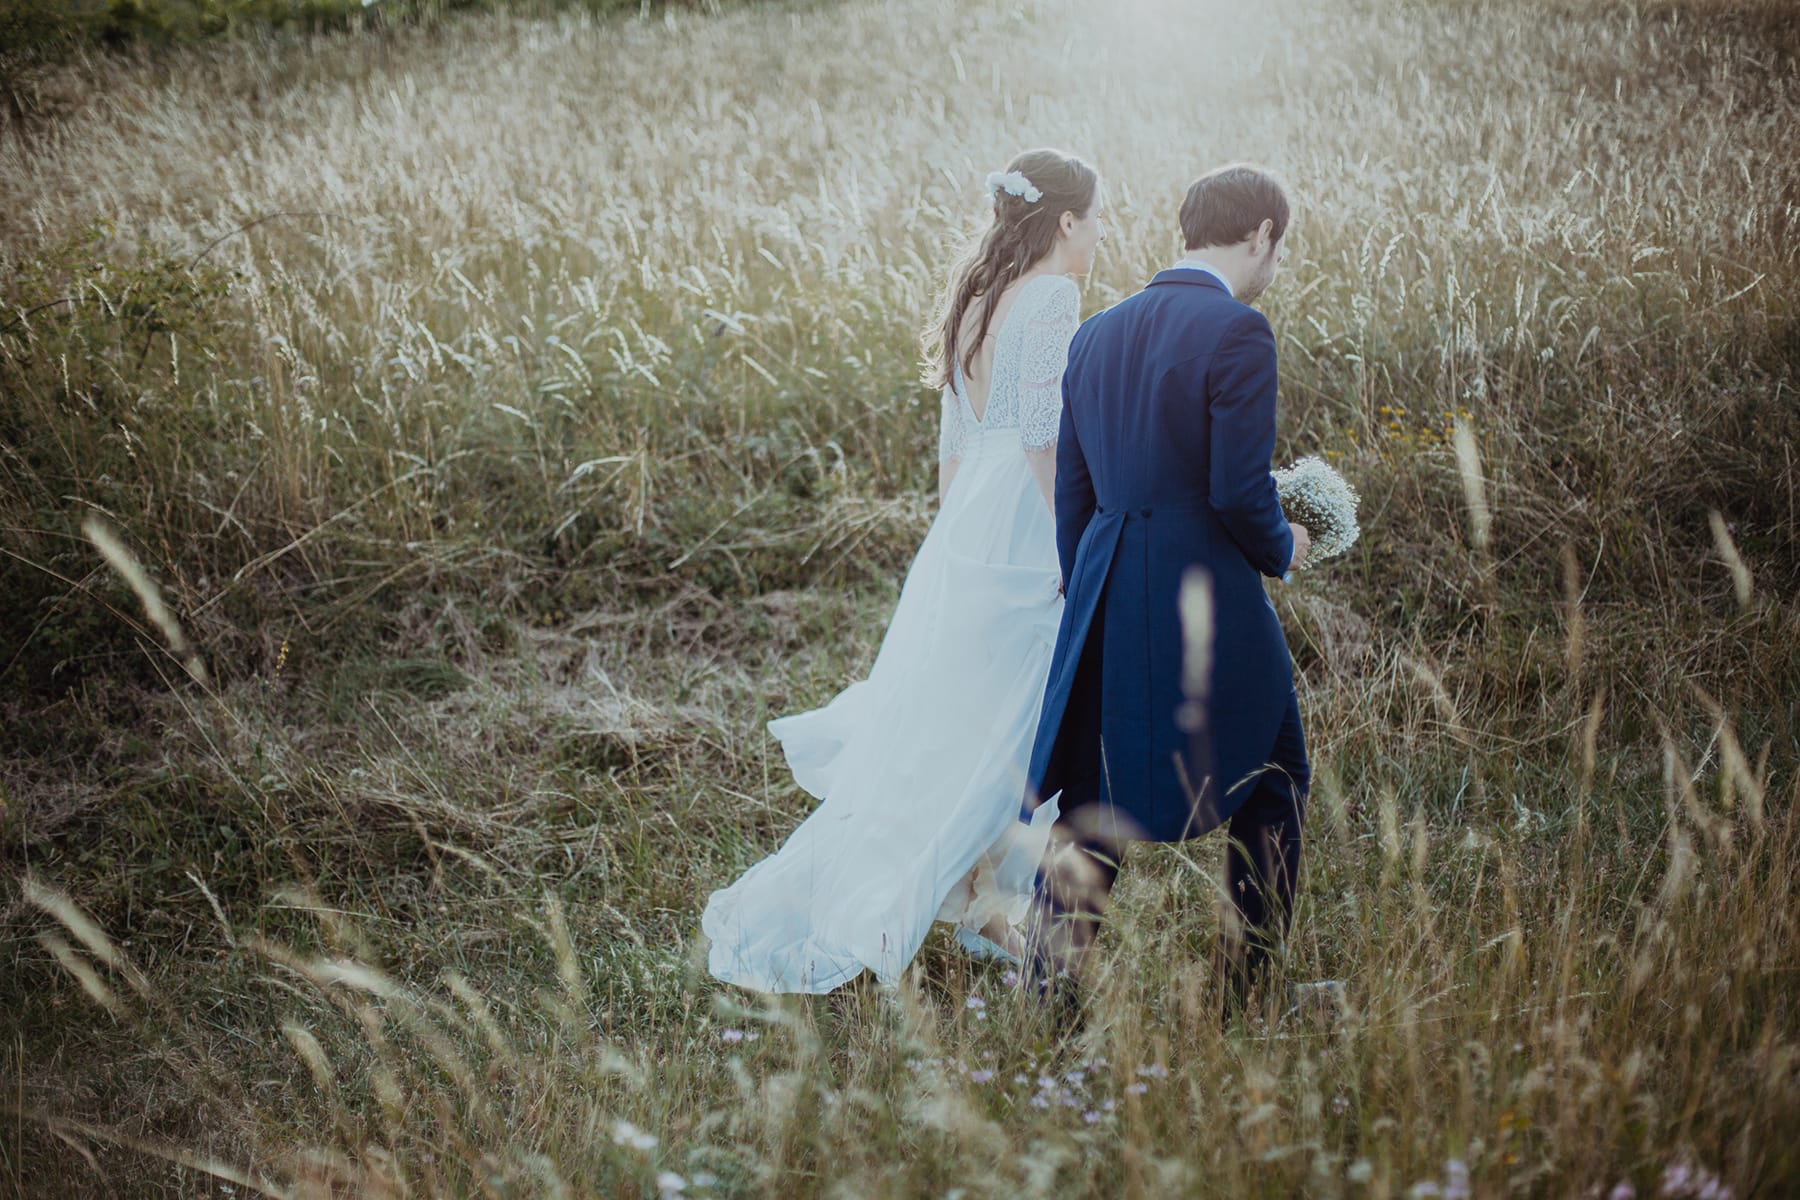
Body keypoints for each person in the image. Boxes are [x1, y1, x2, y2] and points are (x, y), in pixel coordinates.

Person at [702, 149, 1106, 994]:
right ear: (1066, 221)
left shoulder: (974, 299)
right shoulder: (1056, 296)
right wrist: (1075, 543)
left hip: (966, 522)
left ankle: (985, 906)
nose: (1099, 237)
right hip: (1027, 517)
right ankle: (985, 906)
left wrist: (945, 545)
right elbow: (1042, 437)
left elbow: (956, 444)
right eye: (1094, 220)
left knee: (958, 724)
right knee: (1023, 721)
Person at [1022, 163, 1311, 1021]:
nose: (1274, 267)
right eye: (1278, 249)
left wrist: (1091, 592)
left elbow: (1074, 495)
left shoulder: (1098, 333)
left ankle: (1046, 998)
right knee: (1275, 773)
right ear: (1259, 234)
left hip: (1107, 584)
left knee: (1091, 797)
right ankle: (1248, 992)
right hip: (1205, 589)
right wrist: (1284, 546)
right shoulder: (1238, 331)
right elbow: (1236, 491)